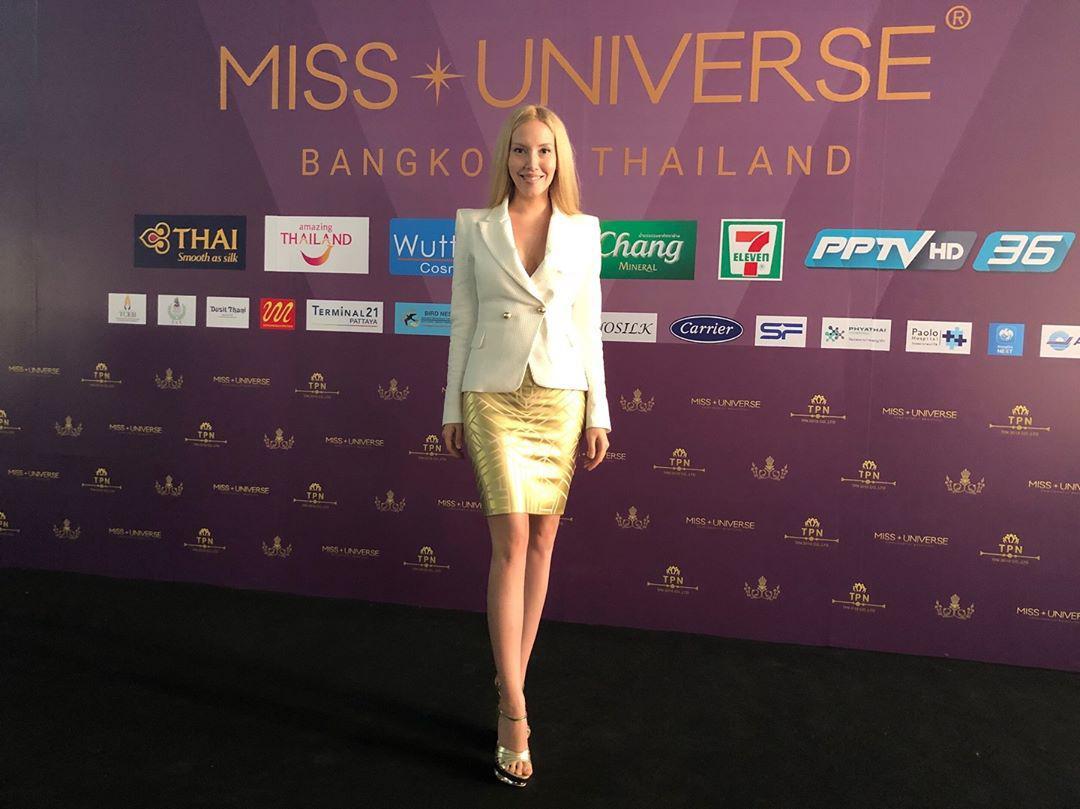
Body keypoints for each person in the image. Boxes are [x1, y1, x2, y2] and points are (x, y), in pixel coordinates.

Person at [440, 103, 611, 787]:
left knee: (543, 541)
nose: (531, 163)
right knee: (510, 539)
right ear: (505, 157)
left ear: (558, 158)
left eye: (543, 151)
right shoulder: (473, 225)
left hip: (560, 395)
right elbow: (461, 318)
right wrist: (449, 404)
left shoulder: (584, 230)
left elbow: (590, 324)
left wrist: (599, 412)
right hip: (491, 393)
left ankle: (511, 673)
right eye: (520, 150)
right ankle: (514, 707)